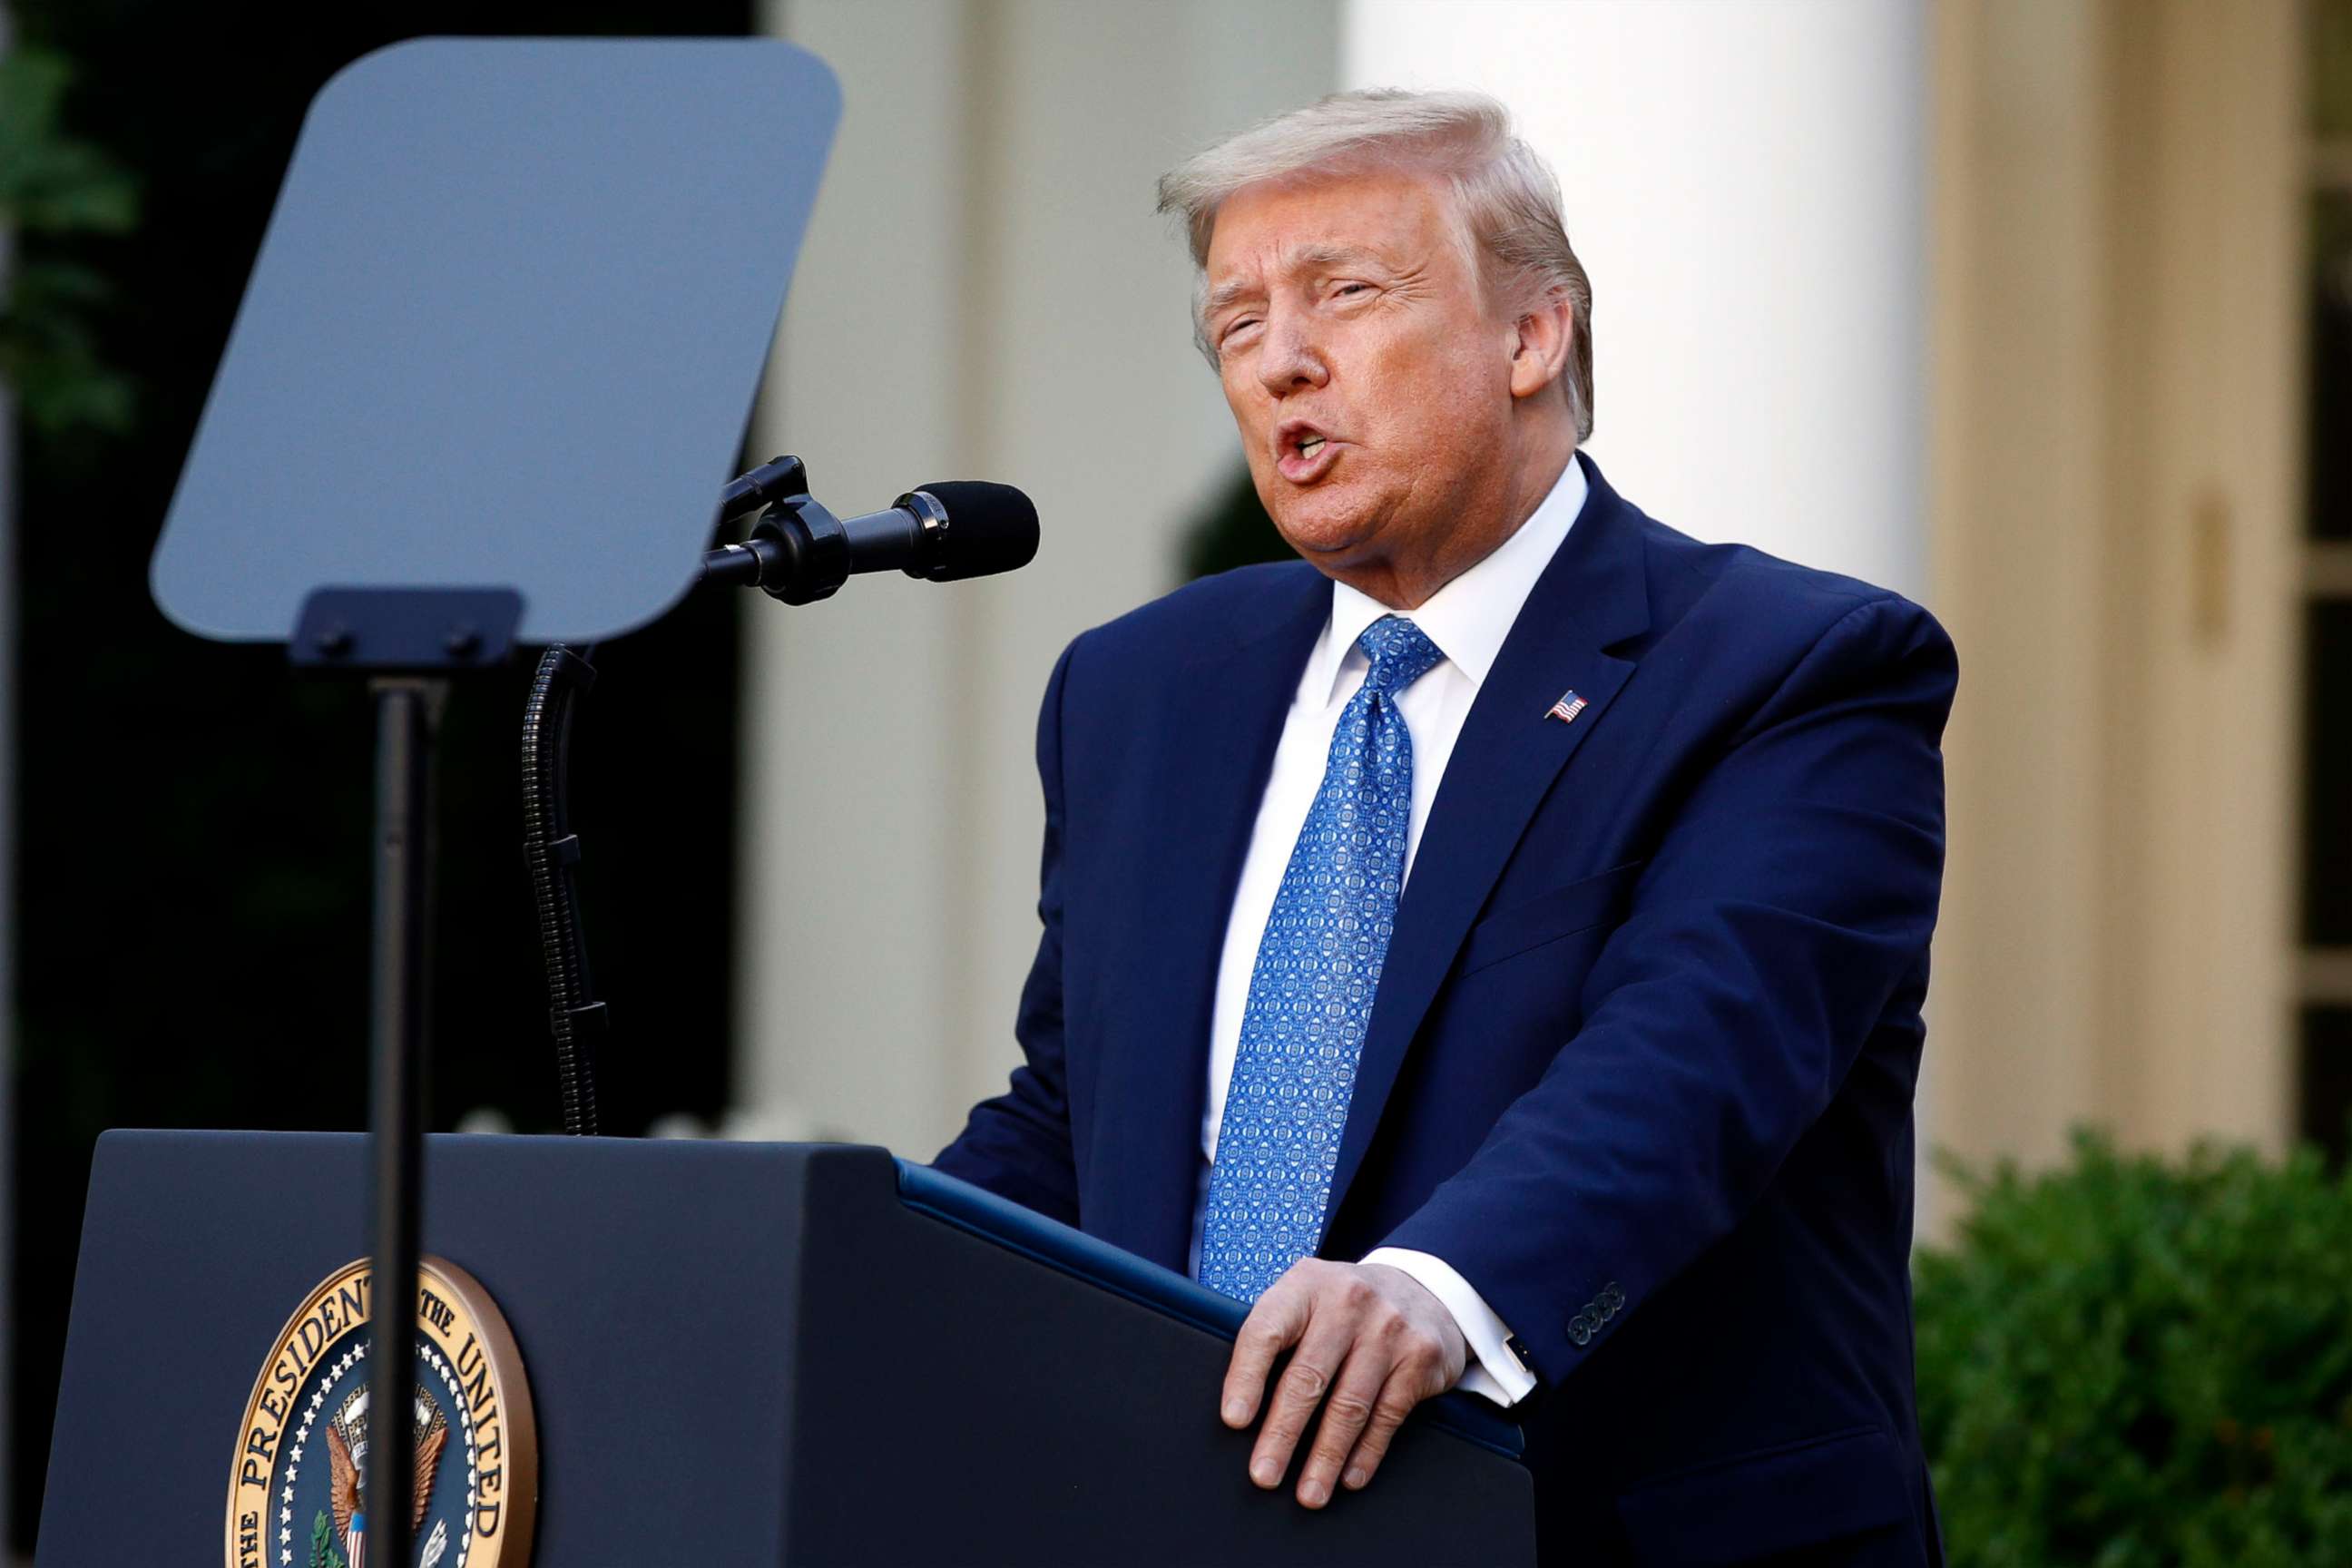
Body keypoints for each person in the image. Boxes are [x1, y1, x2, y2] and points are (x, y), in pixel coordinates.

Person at [934, 88, 1955, 1568]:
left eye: (1344, 294)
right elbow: (1079, 1113)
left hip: (1599, 1526)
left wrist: (1435, 1286)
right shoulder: (1141, 689)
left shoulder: (1792, 669)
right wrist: (837, 1275)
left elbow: (1689, 1067)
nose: (1280, 358)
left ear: (1532, 337)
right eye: (1235, 324)